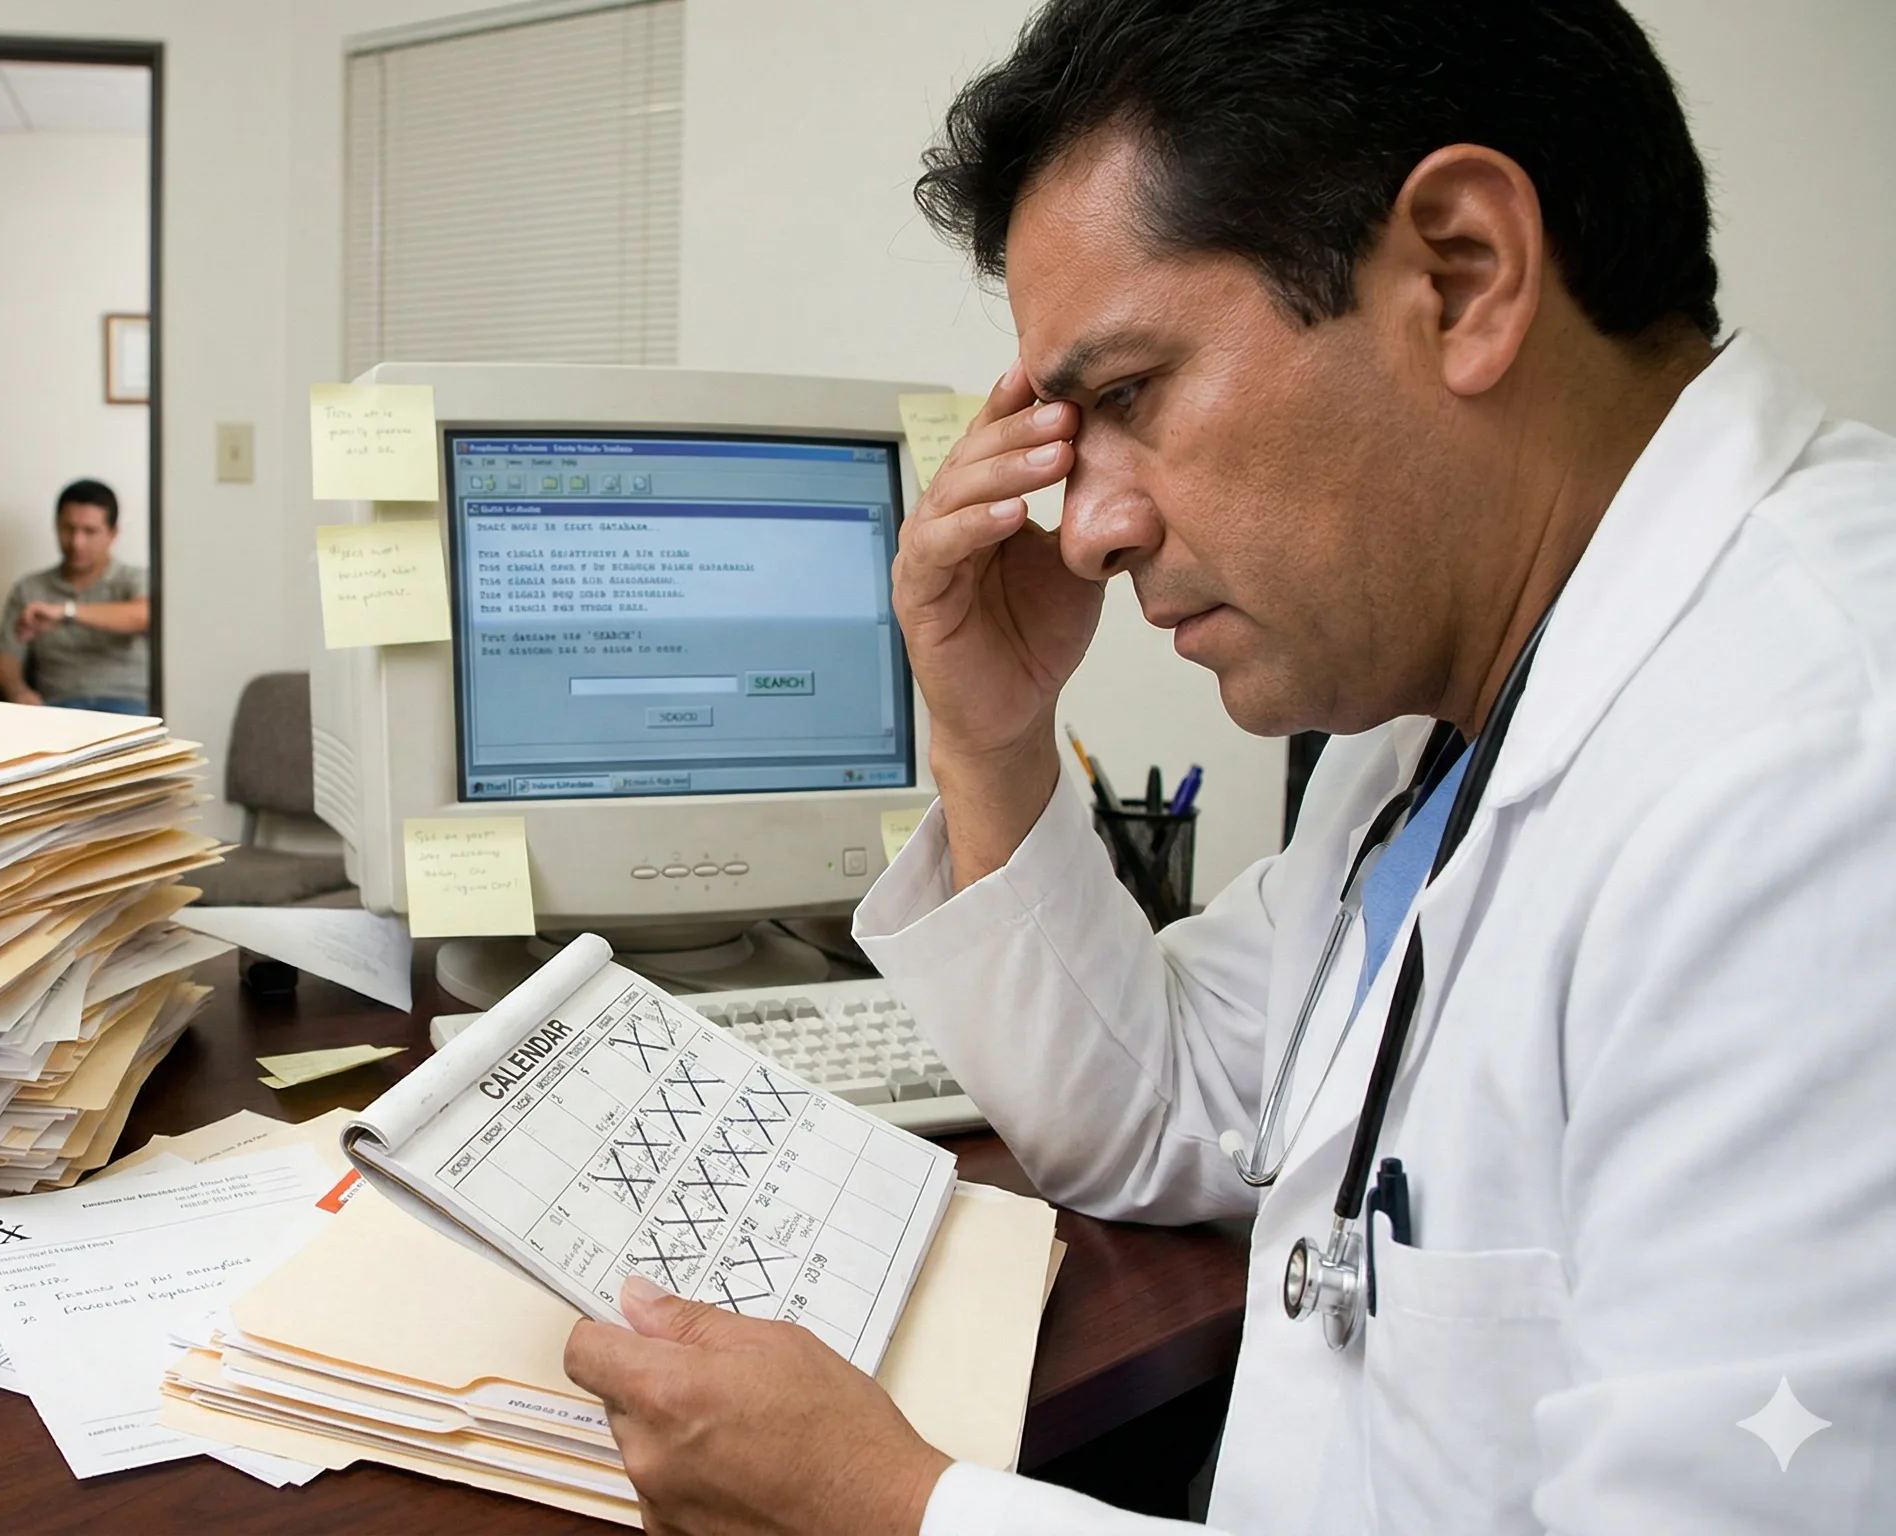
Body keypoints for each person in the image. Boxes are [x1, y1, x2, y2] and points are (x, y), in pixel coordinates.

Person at [559, 2, 1896, 1532]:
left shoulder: (1820, 778)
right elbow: (1162, 1109)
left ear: (1461, 274)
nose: (1085, 528)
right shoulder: (1427, 724)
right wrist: (995, 732)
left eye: (1126, 395)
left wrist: (901, 1513)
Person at [0, 478, 152, 715]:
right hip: (59, 709)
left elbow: (143, 615)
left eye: (89, 531)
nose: (77, 542)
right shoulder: (30, 589)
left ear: (113, 533)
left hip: (129, 708)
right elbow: (6, 655)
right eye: (69, 529)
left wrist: (67, 612)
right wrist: (18, 691)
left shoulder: (135, 579)